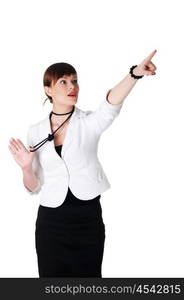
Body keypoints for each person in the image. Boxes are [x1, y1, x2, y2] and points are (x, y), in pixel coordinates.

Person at [8, 50, 157, 278]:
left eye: (75, 81)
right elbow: (33, 187)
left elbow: (111, 103)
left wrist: (135, 74)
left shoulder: (88, 123)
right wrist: (26, 168)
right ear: (48, 90)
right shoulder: (35, 131)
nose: (72, 86)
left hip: (87, 220)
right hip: (51, 223)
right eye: (64, 81)